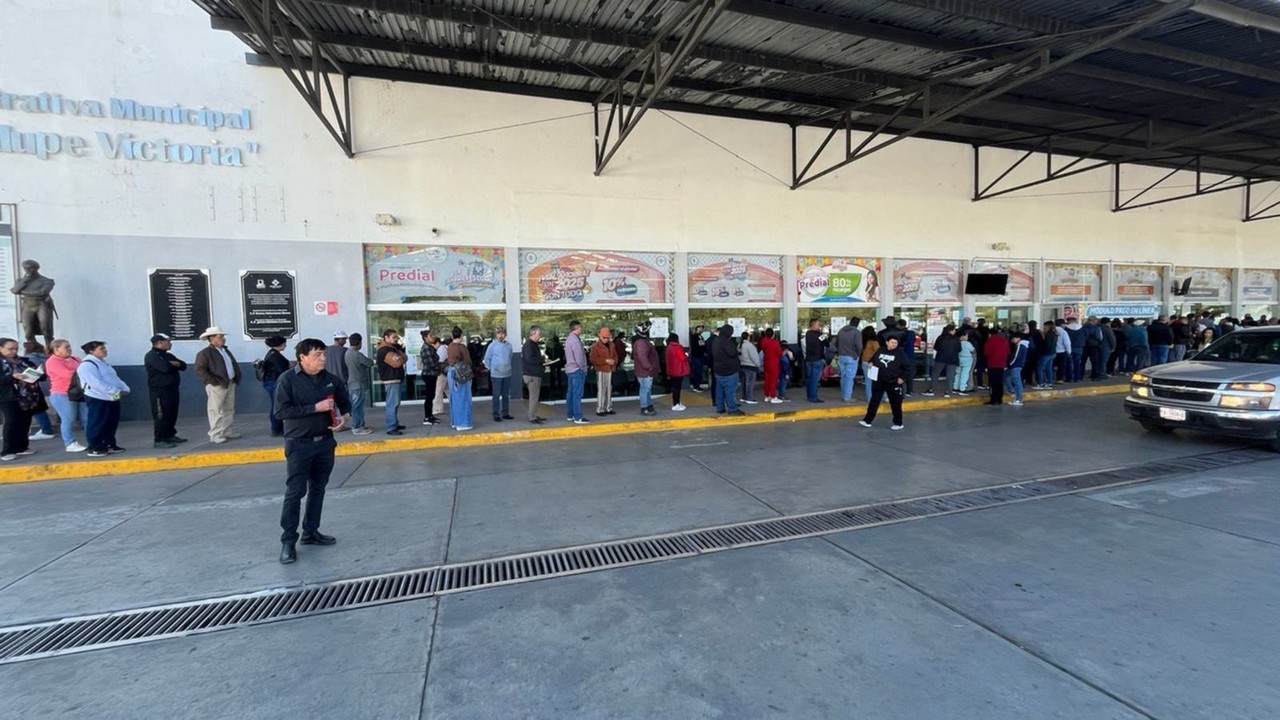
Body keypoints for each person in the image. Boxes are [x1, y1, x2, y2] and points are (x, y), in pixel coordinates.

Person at [273, 337, 351, 565]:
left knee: (318, 489)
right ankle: (288, 541)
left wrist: (343, 418)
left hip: (325, 443)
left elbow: (344, 403)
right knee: (295, 493)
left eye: (324, 354)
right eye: (317, 355)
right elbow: (280, 412)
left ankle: (311, 531)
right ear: (302, 357)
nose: (322, 359)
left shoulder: (331, 380)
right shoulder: (287, 380)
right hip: (299, 444)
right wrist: (313, 408)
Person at [76, 340, 129, 457]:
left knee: (111, 422)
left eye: (104, 348)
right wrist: (115, 391)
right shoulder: (87, 365)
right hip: (98, 398)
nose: (105, 350)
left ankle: (109, 444)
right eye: (101, 349)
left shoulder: (103, 363)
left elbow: (114, 378)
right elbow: (96, 383)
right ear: (91, 351)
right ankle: (95, 446)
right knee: (97, 422)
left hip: (112, 398)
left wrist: (125, 388)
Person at [194, 326, 241, 444]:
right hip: (217, 385)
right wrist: (212, 381)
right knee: (215, 410)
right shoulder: (205, 353)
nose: (222, 339)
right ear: (211, 338)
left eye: (222, 336)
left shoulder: (225, 351)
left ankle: (227, 430)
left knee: (228, 409)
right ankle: (215, 434)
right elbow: (200, 370)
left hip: (229, 383)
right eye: (219, 337)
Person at [0, 338, 44, 460]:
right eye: (10, 349)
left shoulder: (22, 361)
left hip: (26, 395)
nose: (14, 351)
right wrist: (12, 377)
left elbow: (39, 375)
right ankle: (7, 450)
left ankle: (22, 446)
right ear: (1, 348)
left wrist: (37, 374)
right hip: (7, 396)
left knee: (25, 421)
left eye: (16, 348)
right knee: (11, 421)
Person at [144, 333, 188, 448]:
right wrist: (172, 365)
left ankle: (169, 435)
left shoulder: (168, 355)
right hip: (159, 391)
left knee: (171, 413)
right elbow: (165, 368)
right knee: (161, 414)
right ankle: (159, 439)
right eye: (168, 341)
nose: (170, 343)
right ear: (159, 343)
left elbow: (183, 365)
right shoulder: (151, 356)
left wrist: (173, 363)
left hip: (172, 389)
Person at [44, 339, 89, 452]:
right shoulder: (52, 361)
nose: (69, 349)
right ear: (56, 349)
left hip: (79, 392)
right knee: (68, 418)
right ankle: (69, 442)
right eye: (66, 347)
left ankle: (92, 439)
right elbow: (69, 374)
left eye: (69, 346)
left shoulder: (75, 359)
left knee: (87, 417)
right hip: (62, 393)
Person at [859, 334, 907, 430]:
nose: (894, 344)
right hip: (879, 380)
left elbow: (908, 367)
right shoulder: (881, 350)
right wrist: (871, 362)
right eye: (892, 342)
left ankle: (898, 422)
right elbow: (873, 359)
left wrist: (902, 377)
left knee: (895, 403)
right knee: (874, 401)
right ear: (887, 342)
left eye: (896, 343)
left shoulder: (900, 353)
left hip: (893, 381)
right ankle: (867, 420)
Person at [10, 260, 56, 347]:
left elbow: (42, 292)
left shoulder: (46, 281)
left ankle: (49, 349)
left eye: (30, 268)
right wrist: (25, 280)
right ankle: (33, 350)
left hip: (42, 305)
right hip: (28, 305)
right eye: (25, 268)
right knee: (28, 331)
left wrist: (24, 292)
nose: (27, 270)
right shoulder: (21, 281)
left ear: (36, 269)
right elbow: (15, 291)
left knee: (46, 329)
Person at [375, 329, 407, 435]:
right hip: (391, 379)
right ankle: (391, 426)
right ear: (386, 338)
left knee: (395, 403)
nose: (396, 339)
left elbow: (404, 358)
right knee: (392, 404)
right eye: (393, 337)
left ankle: (394, 423)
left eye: (396, 337)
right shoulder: (385, 350)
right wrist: (401, 357)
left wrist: (400, 355)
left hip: (395, 379)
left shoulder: (392, 349)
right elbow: (397, 363)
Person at [21, 341, 54, 440]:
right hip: (47, 384)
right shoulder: (46, 357)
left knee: (36, 410)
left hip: (33, 386)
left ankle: (46, 429)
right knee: (40, 409)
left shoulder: (29, 359)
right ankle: (45, 428)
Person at [343, 332, 375, 436]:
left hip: (352, 383)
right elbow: (369, 363)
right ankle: (357, 427)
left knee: (357, 406)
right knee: (358, 407)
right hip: (359, 383)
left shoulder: (347, 352)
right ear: (359, 342)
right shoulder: (357, 354)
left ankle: (360, 425)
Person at [482, 327, 514, 422]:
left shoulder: (509, 346)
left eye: (503, 333)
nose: (501, 335)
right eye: (499, 333)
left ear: (505, 335)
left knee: (505, 395)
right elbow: (486, 359)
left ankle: (505, 413)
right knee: (496, 395)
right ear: (496, 335)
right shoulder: (492, 346)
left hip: (507, 374)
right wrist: (491, 369)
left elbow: (510, 357)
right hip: (496, 375)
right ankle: (496, 414)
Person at [712, 324, 744, 415]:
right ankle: (732, 409)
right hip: (729, 370)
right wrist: (737, 351)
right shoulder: (726, 342)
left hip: (718, 369)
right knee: (730, 390)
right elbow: (732, 353)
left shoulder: (716, 340)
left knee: (720, 390)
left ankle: (720, 407)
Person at [564, 320, 590, 424]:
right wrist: (584, 368)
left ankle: (570, 415)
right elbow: (579, 357)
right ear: (577, 328)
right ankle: (578, 416)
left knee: (570, 393)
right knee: (577, 394)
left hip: (570, 370)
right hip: (577, 370)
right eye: (580, 327)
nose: (581, 329)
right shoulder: (575, 340)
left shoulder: (569, 339)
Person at [632, 322, 659, 415]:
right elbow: (642, 356)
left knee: (647, 389)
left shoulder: (642, 341)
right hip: (645, 371)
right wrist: (649, 367)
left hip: (645, 370)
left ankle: (648, 405)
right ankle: (644, 407)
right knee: (645, 389)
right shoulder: (641, 342)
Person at [924, 324, 959, 398]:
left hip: (941, 358)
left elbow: (936, 347)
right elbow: (959, 349)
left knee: (935, 374)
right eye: (954, 330)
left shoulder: (940, 338)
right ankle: (948, 391)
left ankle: (932, 390)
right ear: (951, 330)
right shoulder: (956, 338)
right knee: (950, 376)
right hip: (953, 358)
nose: (955, 331)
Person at [522, 325, 547, 423]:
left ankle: (534, 414)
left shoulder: (533, 344)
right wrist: (542, 359)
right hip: (532, 375)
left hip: (534, 374)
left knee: (535, 397)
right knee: (533, 397)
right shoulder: (528, 345)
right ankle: (532, 416)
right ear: (533, 333)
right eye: (539, 334)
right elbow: (530, 359)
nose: (540, 336)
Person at [589, 327, 617, 416]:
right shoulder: (595, 346)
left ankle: (608, 407)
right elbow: (593, 359)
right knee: (601, 389)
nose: (605, 339)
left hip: (609, 369)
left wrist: (614, 361)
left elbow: (616, 356)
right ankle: (600, 409)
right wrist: (605, 360)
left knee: (609, 389)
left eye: (607, 338)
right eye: (604, 337)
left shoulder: (612, 345)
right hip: (601, 370)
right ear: (600, 336)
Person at [416, 330, 441, 427]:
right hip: (429, 374)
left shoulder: (430, 347)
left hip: (432, 374)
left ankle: (430, 415)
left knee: (432, 396)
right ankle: (427, 417)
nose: (432, 337)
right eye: (430, 336)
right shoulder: (426, 348)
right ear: (426, 338)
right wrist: (439, 367)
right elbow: (431, 363)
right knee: (429, 397)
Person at [836, 318, 862, 403]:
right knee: (849, 378)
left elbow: (836, 343)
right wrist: (858, 354)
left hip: (841, 356)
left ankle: (844, 395)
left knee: (843, 376)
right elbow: (859, 346)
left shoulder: (841, 331)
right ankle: (847, 397)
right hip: (852, 356)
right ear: (857, 324)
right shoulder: (856, 332)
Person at [664, 332, 690, 411]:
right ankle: (676, 404)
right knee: (677, 388)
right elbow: (682, 358)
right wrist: (686, 355)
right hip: (679, 370)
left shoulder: (668, 347)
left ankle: (677, 403)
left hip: (671, 370)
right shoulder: (678, 347)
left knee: (675, 387)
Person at [984, 330, 1009, 406]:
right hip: (1001, 365)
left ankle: (993, 399)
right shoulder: (1005, 341)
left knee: (992, 383)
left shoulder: (990, 340)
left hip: (992, 364)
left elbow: (986, 352)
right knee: (999, 382)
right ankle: (999, 399)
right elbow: (1008, 352)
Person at [803, 319, 826, 403]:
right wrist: (824, 336)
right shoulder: (820, 335)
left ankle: (809, 395)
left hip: (809, 359)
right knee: (815, 379)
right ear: (813, 325)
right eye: (818, 324)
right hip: (817, 358)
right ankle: (813, 397)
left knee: (809, 378)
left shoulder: (808, 334)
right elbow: (827, 344)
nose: (819, 326)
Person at [759, 328, 782, 404]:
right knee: (773, 380)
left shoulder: (764, 341)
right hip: (774, 363)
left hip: (766, 362)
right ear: (773, 334)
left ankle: (767, 395)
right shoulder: (775, 343)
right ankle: (773, 396)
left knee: (767, 379)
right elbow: (779, 353)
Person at [1007, 330, 1030, 406]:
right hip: (1018, 365)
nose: (1012, 341)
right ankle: (1016, 395)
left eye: (1013, 339)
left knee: (1017, 383)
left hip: (1015, 365)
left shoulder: (1020, 345)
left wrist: (1009, 364)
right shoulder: (1024, 345)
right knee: (1013, 380)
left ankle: (1018, 399)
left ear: (1018, 338)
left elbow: (1015, 357)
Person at [738, 331, 760, 405]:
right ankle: (749, 398)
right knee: (750, 383)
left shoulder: (739, 345)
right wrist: (758, 364)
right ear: (748, 337)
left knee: (744, 383)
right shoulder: (750, 345)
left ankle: (744, 397)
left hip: (742, 365)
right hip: (750, 366)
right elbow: (754, 357)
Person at [860, 326, 881, 402]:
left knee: (868, 381)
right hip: (872, 363)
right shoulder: (874, 342)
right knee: (878, 381)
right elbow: (878, 352)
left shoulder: (863, 341)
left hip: (864, 361)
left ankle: (870, 398)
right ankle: (884, 397)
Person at [431, 332, 449, 422]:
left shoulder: (441, 349)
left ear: (437, 343)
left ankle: (437, 408)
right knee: (448, 390)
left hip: (440, 374)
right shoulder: (443, 349)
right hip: (444, 373)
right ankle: (455, 405)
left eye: (434, 344)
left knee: (438, 391)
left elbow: (440, 361)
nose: (433, 346)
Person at [955, 329, 976, 394]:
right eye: (966, 336)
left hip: (958, 359)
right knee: (965, 374)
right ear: (963, 336)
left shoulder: (957, 342)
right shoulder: (967, 343)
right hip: (967, 360)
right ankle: (962, 388)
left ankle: (955, 387)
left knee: (957, 373)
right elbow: (973, 351)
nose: (967, 337)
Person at [1038, 323, 1059, 389]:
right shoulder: (1054, 333)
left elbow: (1047, 344)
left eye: (1045, 326)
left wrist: (1043, 338)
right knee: (1049, 368)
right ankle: (1049, 383)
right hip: (1052, 353)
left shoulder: (1048, 334)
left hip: (1046, 354)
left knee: (1040, 368)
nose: (1043, 327)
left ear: (1048, 326)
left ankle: (1041, 384)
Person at [688, 325, 706, 392]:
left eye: (702, 329)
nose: (701, 330)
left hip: (701, 356)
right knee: (697, 371)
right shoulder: (694, 337)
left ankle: (698, 385)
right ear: (697, 329)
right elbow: (695, 347)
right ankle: (696, 386)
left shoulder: (701, 337)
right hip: (696, 356)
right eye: (700, 329)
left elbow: (702, 345)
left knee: (700, 371)